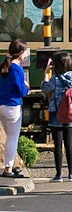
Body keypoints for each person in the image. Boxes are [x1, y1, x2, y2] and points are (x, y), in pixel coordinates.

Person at [41, 50, 72, 182]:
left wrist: (46, 73)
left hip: (56, 113)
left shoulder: (55, 79)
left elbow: (45, 88)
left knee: (58, 145)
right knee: (69, 144)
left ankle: (58, 175)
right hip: (70, 112)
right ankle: (71, 174)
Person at [0, 39, 29, 178]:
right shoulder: (17, 69)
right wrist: (26, 86)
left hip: (1, 105)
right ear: (21, 53)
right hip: (12, 107)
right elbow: (21, 91)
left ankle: (9, 166)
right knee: (12, 138)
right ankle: (8, 169)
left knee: (8, 138)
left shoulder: (4, 66)